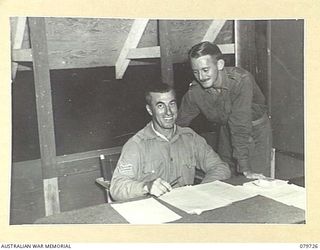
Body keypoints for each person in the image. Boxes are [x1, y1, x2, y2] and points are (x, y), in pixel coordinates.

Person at [110, 82, 231, 201]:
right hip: (154, 212)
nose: (169, 112)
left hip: (188, 206)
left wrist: (201, 191)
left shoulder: (190, 138)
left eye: (172, 104)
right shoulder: (136, 145)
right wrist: (146, 187)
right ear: (150, 110)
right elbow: (116, 188)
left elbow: (220, 167)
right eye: (160, 106)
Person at [176, 41, 272, 178]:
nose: (201, 77)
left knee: (255, 178)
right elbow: (179, 123)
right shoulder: (195, 92)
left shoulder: (241, 81)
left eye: (205, 70)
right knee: (225, 174)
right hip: (226, 127)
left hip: (253, 130)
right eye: (195, 72)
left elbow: (240, 126)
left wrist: (245, 168)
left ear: (219, 65)